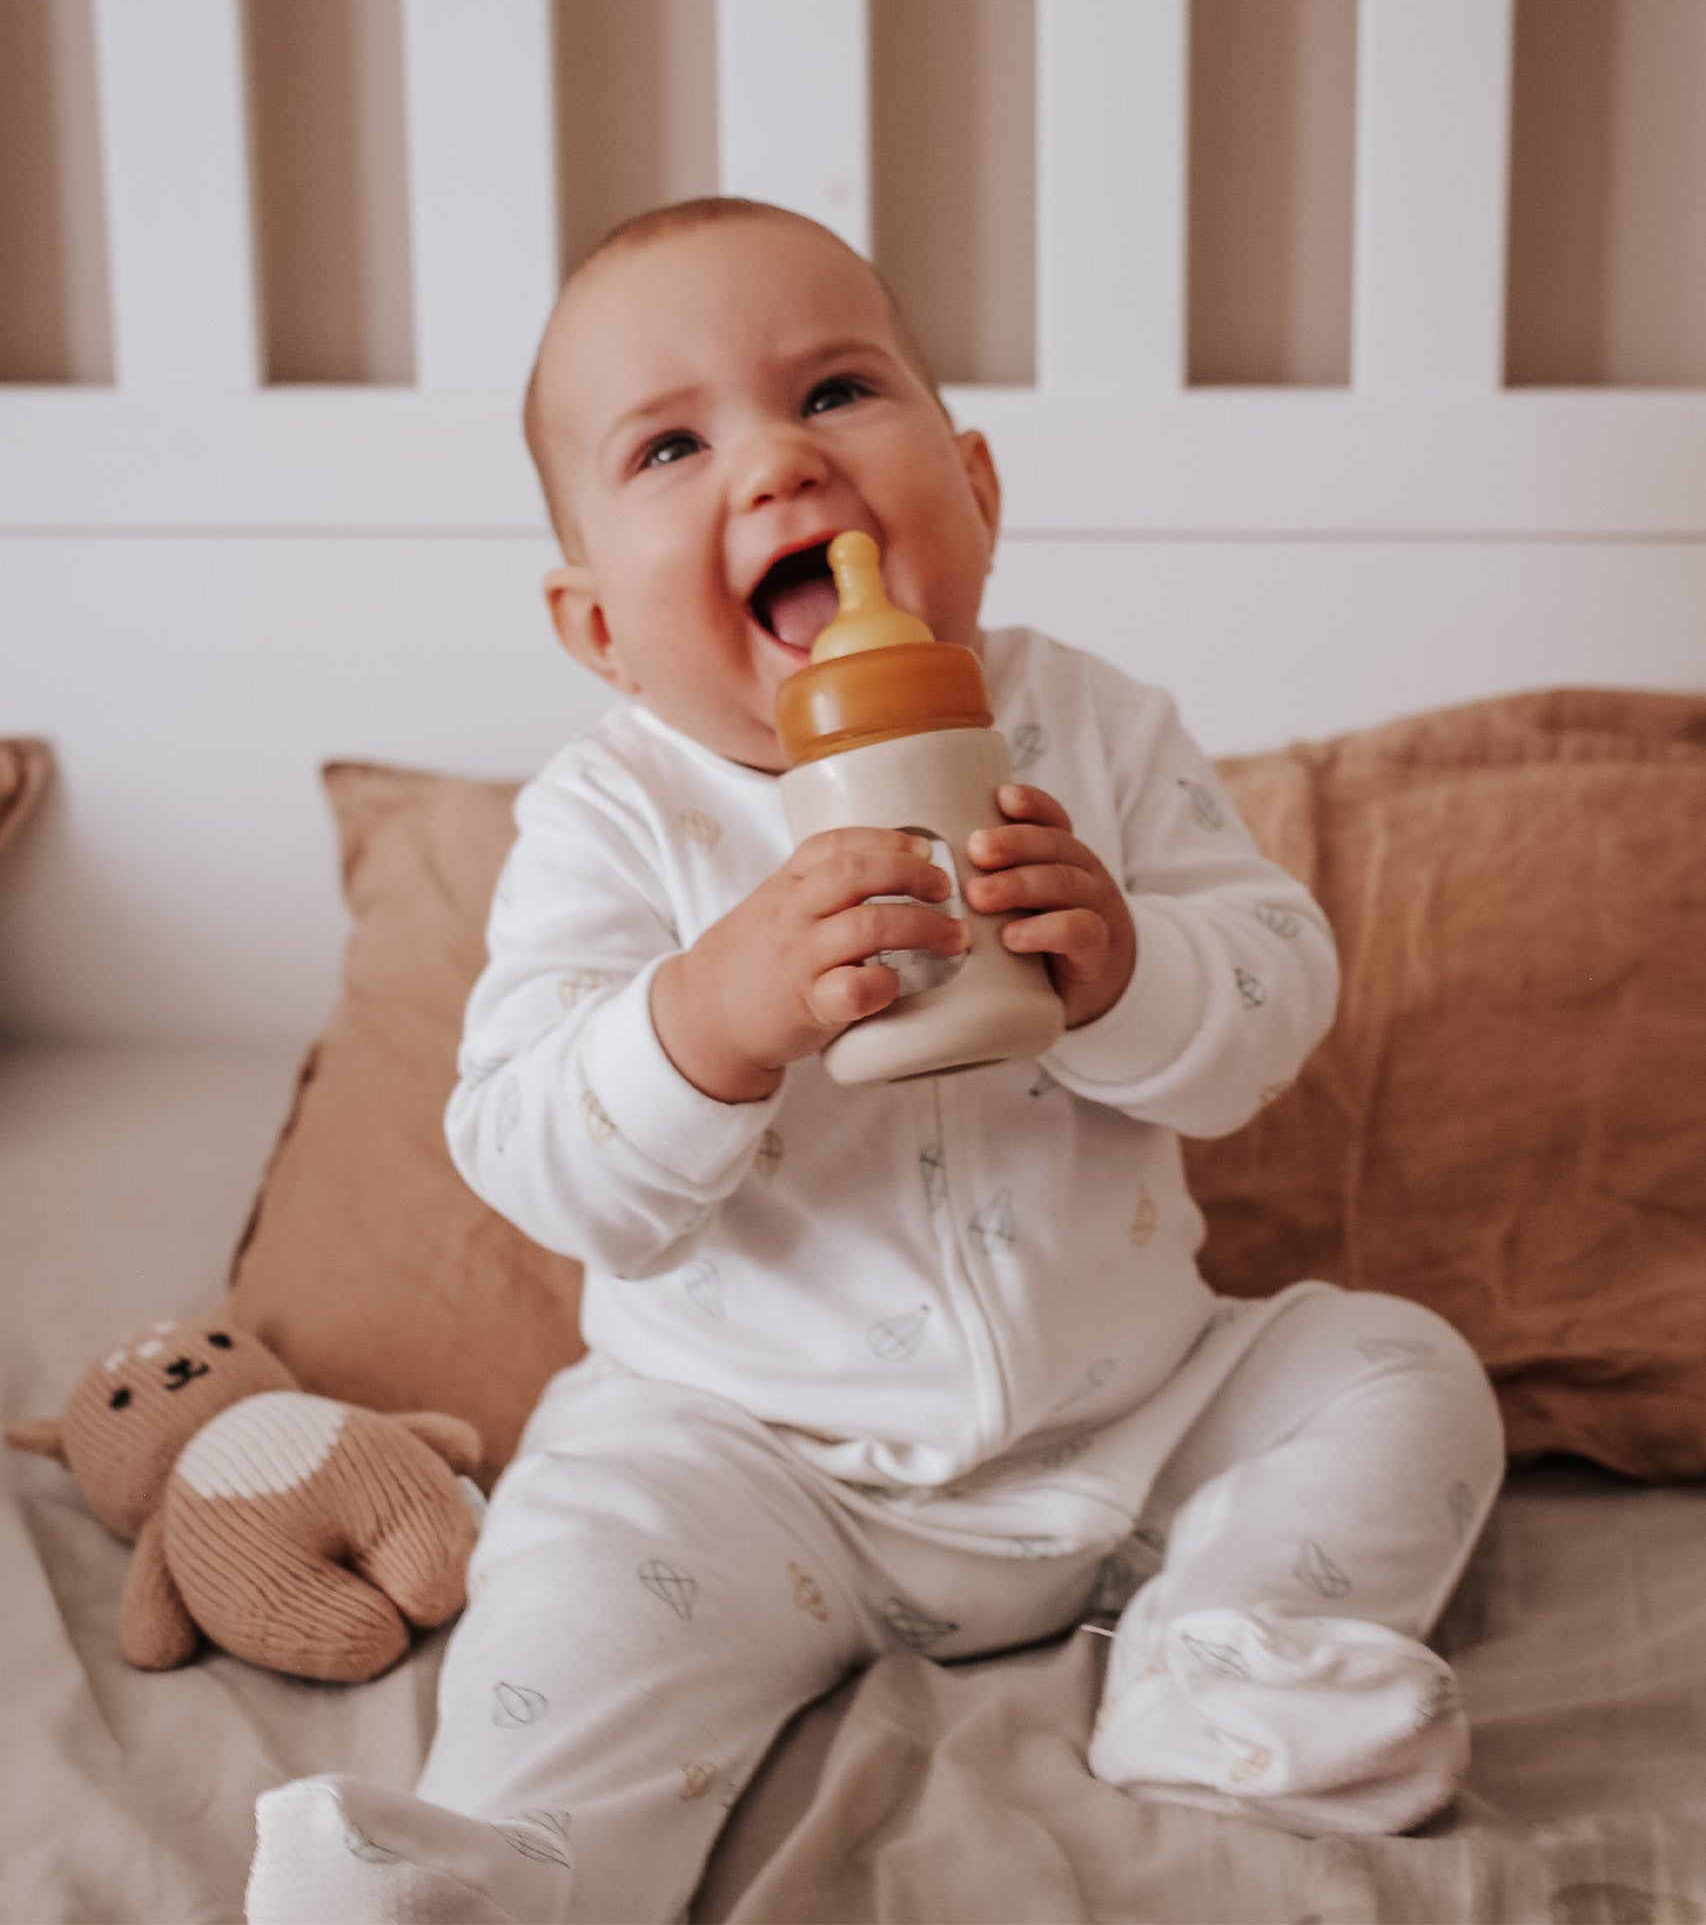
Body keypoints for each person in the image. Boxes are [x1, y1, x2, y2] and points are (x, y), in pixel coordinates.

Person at [246, 198, 1503, 1925]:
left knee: (1392, 1369)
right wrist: (709, 1023)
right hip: (756, 1464)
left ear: (973, 493)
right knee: (581, 1556)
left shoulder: (1097, 729)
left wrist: (1129, 968)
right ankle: (516, 1867)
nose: (776, 468)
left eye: (836, 393)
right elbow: (528, 1146)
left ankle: (1222, 1669)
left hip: (1132, 1422)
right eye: (673, 443)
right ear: (599, 627)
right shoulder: (611, 817)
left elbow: (1275, 999)